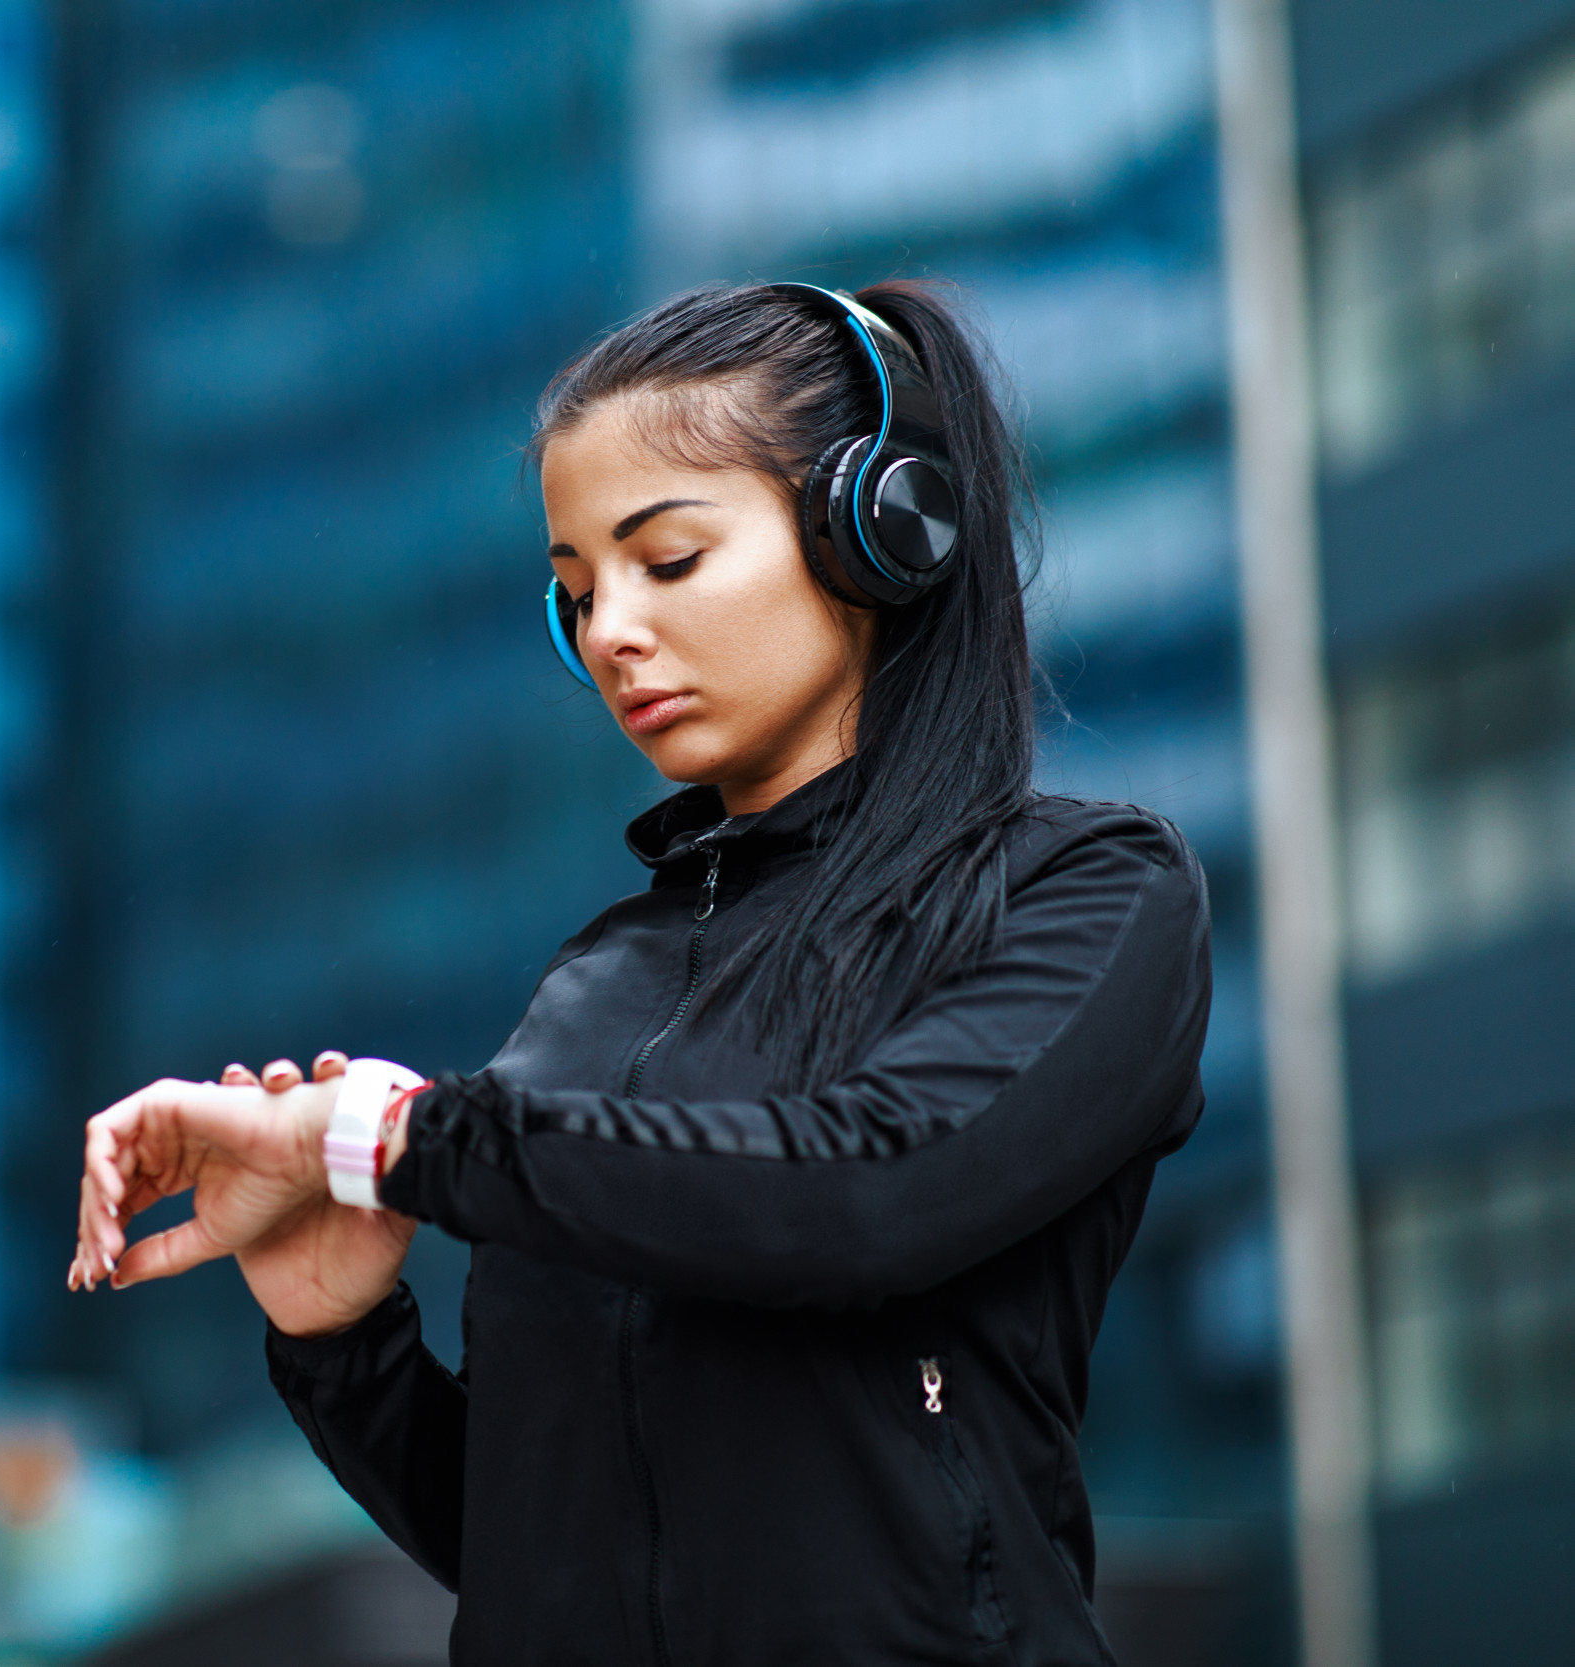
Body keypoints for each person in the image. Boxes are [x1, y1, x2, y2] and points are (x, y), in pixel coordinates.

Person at [67, 281, 1211, 1666]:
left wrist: (387, 1137)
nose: (608, 630)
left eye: (666, 560)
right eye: (574, 592)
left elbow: (860, 1190)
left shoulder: (1088, 894)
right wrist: (342, 1336)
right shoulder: (595, 985)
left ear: (881, 534)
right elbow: (533, 1544)